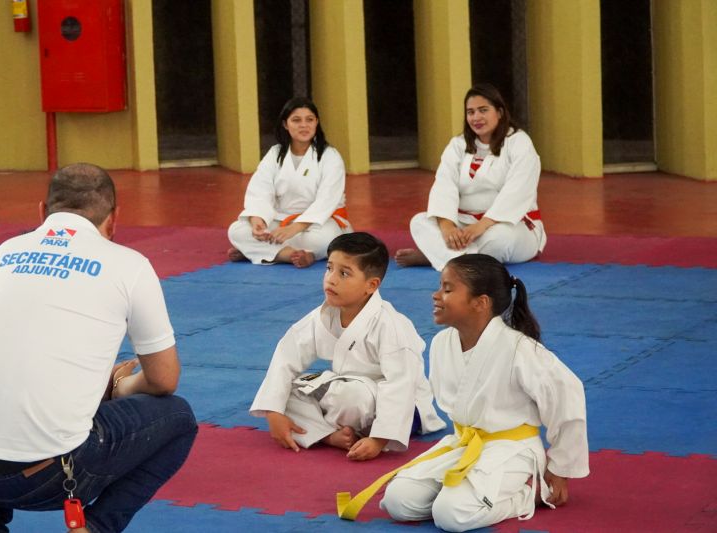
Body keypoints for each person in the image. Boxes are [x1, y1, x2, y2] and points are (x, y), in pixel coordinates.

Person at [0, 163, 198, 533]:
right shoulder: (130, 265)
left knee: (6, 388)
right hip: (44, 478)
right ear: (114, 220)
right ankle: (95, 527)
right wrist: (119, 388)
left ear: (42, 211)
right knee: (179, 419)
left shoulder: (5, 252)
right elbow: (164, 381)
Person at [355, 254, 587, 531]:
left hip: (511, 448)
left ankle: (528, 494)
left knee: (451, 515)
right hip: (464, 442)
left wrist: (560, 468)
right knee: (398, 502)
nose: (436, 295)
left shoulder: (520, 349)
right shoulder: (442, 343)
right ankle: (465, 496)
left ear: (481, 303)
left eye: (448, 289)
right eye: (440, 287)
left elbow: (568, 397)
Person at [250, 232, 446, 461]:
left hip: (399, 407)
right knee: (288, 391)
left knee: (353, 395)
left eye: (344, 273)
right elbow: (287, 357)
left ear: (371, 285)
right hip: (348, 394)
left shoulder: (391, 325)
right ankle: (329, 436)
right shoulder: (323, 316)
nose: (331, 279)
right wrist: (274, 412)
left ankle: (344, 429)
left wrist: (380, 439)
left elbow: (401, 384)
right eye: (329, 268)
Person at [395, 84, 547, 271]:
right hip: (464, 224)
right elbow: (444, 185)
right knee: (419, 222)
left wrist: (480, 227)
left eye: (483, 110)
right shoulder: (458, 144)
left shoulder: (519, 142)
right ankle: (459, 259)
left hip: (510, 225)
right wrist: (447, 227)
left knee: (499, 240)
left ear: (499, 112)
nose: (476, 118)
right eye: (471, 112)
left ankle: (439, 257)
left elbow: (517, 192)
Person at [227, 96, 352, 268]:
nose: (304, 125)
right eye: (296, 120)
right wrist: (257, 219)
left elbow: (327, 200)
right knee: (237, 230)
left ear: (317, 123)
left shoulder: (330, 156)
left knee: (327, 239)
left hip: (318, 223)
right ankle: (290, 255)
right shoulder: (275, 153)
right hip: (281, 219)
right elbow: (260, 189)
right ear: (285, 124)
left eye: (309, 120)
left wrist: (294, 228)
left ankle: (257, 250)